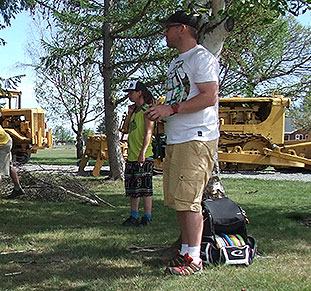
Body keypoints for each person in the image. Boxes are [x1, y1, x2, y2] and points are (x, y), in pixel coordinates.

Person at [146, 10, 220, 276]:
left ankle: (194, 259)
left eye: (168, 28)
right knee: (179, 199)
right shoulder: (177, 62)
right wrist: (161, 109)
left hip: (196, 137)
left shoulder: (201, 58)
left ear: (183, 29)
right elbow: (184, 96)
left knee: (190, 200)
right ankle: (185, 252)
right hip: (178, 138)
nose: (164, 33)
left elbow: (209, 97)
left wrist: (172, 110)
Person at [119, 81, 156, 227]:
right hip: (132, 156)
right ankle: (133, 216)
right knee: (133, 188)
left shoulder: (147, 110)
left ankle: (147, 217)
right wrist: (129, 114)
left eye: (131, 92)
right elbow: (126, 130)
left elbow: (148, 132)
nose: (129, 95)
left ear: (139, 93)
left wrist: (142, 153)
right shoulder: (135, 112)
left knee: (145, 188)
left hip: (144, 155)